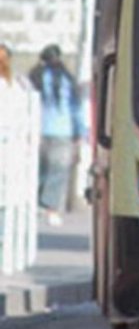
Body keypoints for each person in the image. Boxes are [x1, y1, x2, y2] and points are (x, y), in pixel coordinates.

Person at [28, 44, 86, 226]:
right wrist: (80, 133)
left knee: (39, 168)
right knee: (58, 172)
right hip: (63, 130)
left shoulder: (36, 76)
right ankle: (50, 208)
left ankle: (35, 203)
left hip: (38, 128)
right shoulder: (68, 79)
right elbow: (76, 109)